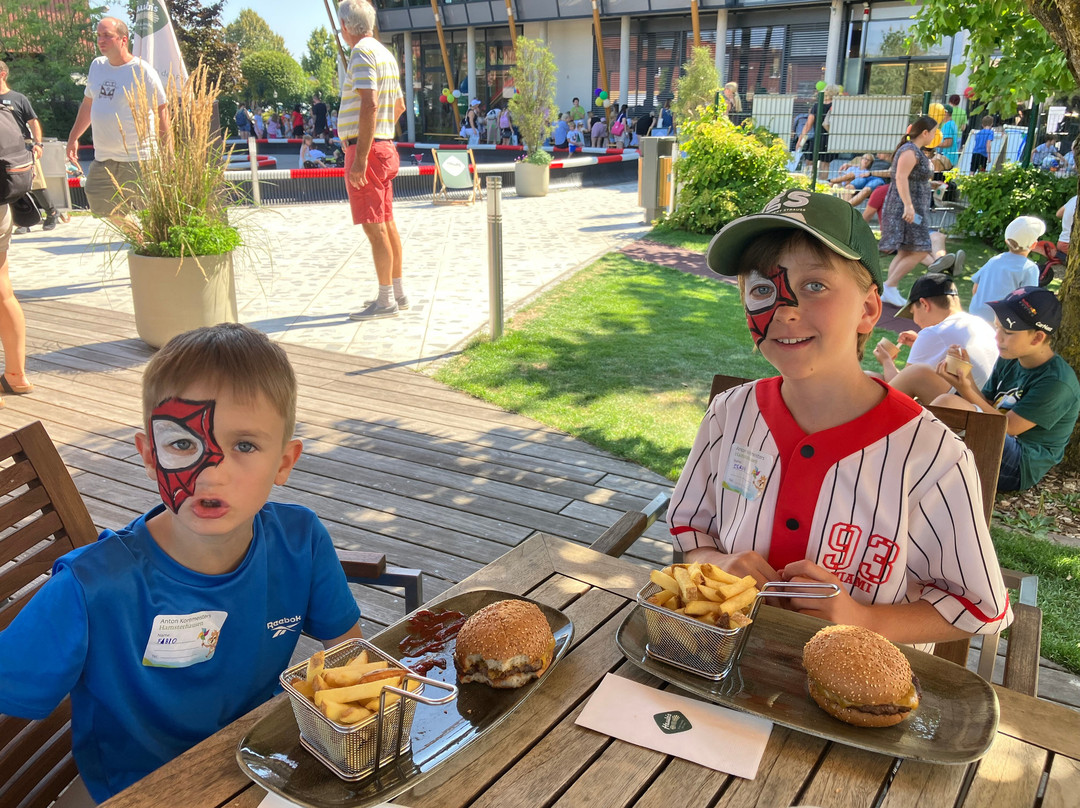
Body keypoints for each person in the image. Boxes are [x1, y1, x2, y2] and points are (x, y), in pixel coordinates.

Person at [0, 323, 365, 804]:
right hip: (135, 792)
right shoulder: (92, 588)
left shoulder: (300, 541)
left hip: (258, 770)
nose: (212, 473)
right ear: (150, 455)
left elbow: (352, 662)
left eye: (245, 446)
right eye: (182, 445)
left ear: (284, 461)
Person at [668, 189, 1011, 646]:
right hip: (723, 653)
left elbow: (979, 607)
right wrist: (716, 562)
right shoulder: (730, 414)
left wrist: (862, 618)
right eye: (762, 289)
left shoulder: (931, 456)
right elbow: (692, 525)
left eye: (815, 285)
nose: (786, 310)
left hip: (858, 689)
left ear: (869, 309)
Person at [932, 287, 1080, 491]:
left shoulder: (1057, 382)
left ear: (1037, 338)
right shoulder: (1010, 357)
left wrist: (966, 391)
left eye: (1007, 332)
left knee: (946, 404)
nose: (997, 337)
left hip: (1019, 465)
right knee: (930, 387)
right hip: (995, 435)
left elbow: (1007, 427)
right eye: (997, 328)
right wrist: (964, 379)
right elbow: (988, 403)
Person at [338, 0, 407, 321]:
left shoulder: (361, 53)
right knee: (386, 221)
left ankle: (385, 301)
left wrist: (361, 158)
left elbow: (370, 104)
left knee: (374, 227)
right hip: (384, 146)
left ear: (345, 28)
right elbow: (399, 107)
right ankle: (397, 291)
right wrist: (383, 135)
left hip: (367, 150)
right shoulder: (385, 54)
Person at [66, 17, 167, 232]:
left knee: (148, 210)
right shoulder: (97, 66)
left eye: (107, 36)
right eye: (99, 35)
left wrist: (168, 154)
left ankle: (153, 249)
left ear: (123, 39)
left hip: (138, 157)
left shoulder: (142, 71)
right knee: (96, 198)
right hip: (103, 157)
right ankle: (138, 237)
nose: (101, 40)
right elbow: (87, 104)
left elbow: (162, 112)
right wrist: (74, 137)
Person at [872, 272, 998, 403]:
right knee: (874, 378)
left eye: (913, 313)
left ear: (924, 304)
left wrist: (886, 361)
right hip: (984, 406)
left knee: (907, 375)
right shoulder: (980, 323)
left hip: (964, 412)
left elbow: (900, 391)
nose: (916, 321)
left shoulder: (934, 333)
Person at [0, 60, 67, 233]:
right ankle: (24, 220)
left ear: (2, 75)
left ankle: (52, 211)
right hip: (3, 150)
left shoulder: (18, 98)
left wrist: (38, 144)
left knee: (34, 182)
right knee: (11, 185)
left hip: (23, 147)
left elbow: (33, 122)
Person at [878, 115, 938, 307]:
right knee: (921, 249)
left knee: (907, 250)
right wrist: (908, 206)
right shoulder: (909, 150)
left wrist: (929, 184)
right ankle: (890, 285)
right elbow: (900, 178)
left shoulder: (914, 151)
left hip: (912, 208)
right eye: (934, 132)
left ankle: (888, 289)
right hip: (906, 209)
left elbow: (911, 178)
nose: (935, 136)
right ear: (925, 132)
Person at [969, 216, 1043, 323]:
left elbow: (975, 289)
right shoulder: (1030, 268)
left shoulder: (994, 260)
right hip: (1001, 320)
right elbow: (1028, 300)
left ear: (1006, 241)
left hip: (976, 314)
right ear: (1034, 245)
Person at [795, 84, 839, 176]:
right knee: (825, 164)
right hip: (830, 138)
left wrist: (800, 139)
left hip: (817, 137)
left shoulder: (817, 106)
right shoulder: (836, 106)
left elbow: (808, 125)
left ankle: (808, 181)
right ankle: (822, 185)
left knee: (810, 161)